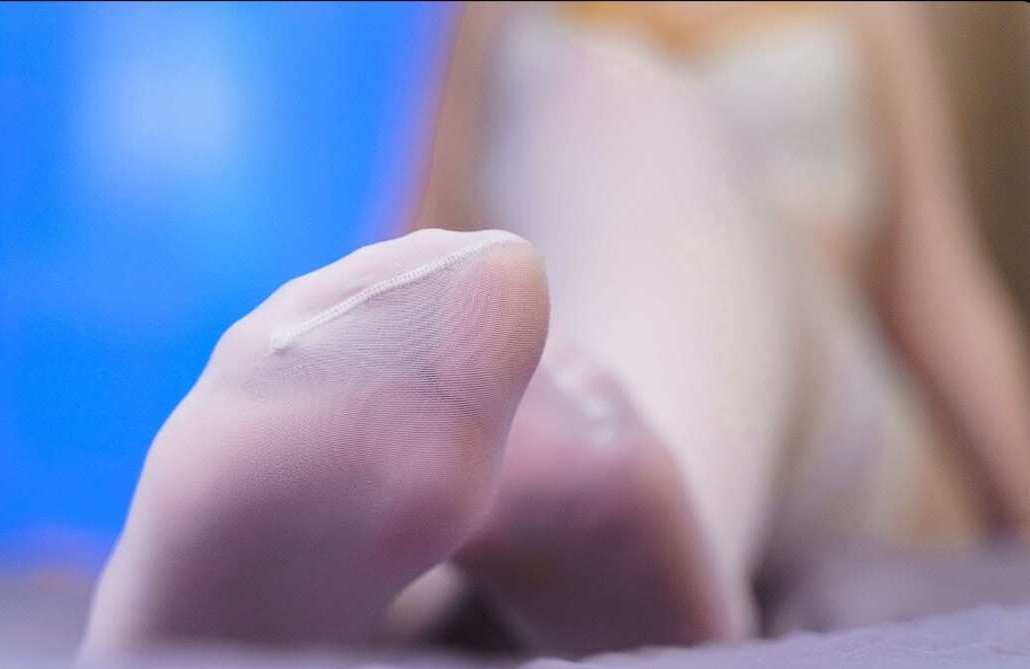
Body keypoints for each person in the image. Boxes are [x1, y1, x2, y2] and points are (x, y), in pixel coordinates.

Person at [78, 1, 1030, 661]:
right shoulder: (488, 12)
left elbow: (941, 293)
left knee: (619, 100)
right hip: (577, 349)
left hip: (830, 386)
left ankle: (626, 523)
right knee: (599, 97)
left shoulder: (870, 11)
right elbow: (422, 255)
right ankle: (566, 534)